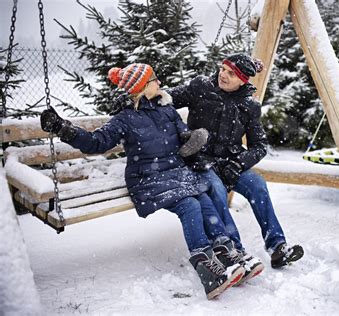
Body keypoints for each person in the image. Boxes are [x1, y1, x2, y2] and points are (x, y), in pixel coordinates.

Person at [39, 63, 263, 300]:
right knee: (190, 206)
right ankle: (206, 267)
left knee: (205, 198)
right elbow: (97, 142)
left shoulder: (165, 109)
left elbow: (182, 133)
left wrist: (193, 141)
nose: (159, 83)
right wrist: (63, 129)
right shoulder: (125, 118)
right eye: (154, 79)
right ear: (142, 87)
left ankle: (225, 251)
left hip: (174, 173)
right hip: (148, 178)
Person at [169, 53, 304, 268]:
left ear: (243, 80)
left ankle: (277, 246)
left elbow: (259, 146)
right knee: (218, 191)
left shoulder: (249, 106)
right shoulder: (201, 87)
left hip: (230, 162)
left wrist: (239, 163)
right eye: (223, 68)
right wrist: (142, 96)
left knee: (258, 185)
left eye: (231, 73)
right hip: (200, 160)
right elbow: (167, 99)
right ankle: (235, 250)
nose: (223, 74)